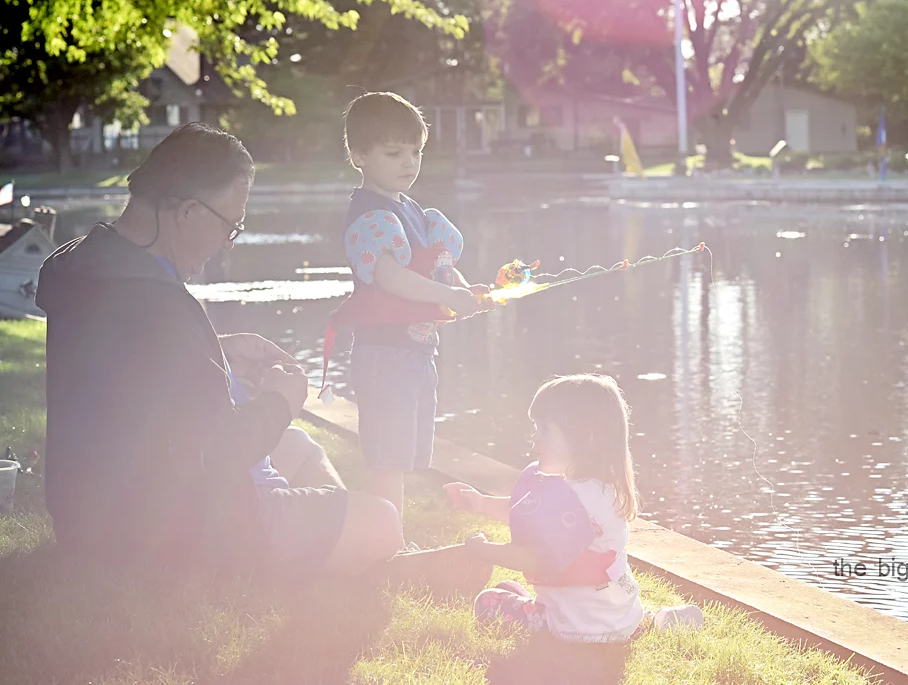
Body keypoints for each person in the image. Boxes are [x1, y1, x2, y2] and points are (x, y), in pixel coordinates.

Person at [37, 123, 487, 588]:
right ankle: (375, 560)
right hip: (162, 532)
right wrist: (281, 400)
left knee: (300, 448)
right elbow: (219, 454)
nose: (226, 245)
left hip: (94, 509)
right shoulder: (160, 304)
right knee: (381, 521)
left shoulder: (86, 262)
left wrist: (213, 351)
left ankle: (354, 552)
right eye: (230, 226)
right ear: (188, 212)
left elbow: (127, 365)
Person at [330, 92, 490, 548]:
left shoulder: (415, 213)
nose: (409, 162)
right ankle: (388, 546)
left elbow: (438, 269)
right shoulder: (370, 215)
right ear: (359, 156)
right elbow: (390, 277)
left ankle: (386, 540)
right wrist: (447, 295)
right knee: (388, 460)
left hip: (417, 353)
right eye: (394, 152)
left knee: (403, 455)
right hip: (385, 354)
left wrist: (465, 291)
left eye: (416, 151)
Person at [445, 375, 702, 643]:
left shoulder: (567, 499)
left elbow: (529, 558)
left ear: (583, 438)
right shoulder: (605, 490)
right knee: (507, 588)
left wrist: (482, 550)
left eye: (544, 429)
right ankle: (650, 619)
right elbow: (524, 514)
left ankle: (566, 620)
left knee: (487, 601)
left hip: (572, 627)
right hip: (621, 619)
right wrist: (480, 503)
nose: (534, 438)